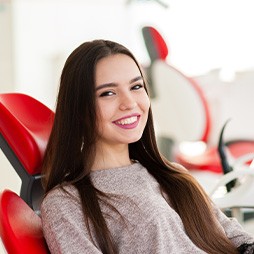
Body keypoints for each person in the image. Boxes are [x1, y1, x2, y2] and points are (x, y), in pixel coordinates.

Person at [41, 39, 254, 254]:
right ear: (78, 109)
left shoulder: (174, 176)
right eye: (108, 93)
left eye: (136, 87)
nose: (130, 103)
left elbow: (238, 240)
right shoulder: (65, 204)